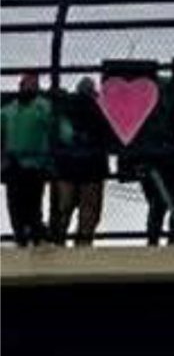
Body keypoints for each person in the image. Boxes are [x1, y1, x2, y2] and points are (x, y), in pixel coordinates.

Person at [120, 75, 174, 246]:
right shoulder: (159, 113)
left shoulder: (154, 112)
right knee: (166, 202)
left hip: (162, 160)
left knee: (166, 202)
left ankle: (161, 238)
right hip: (159, 160)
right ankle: (164, 238)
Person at [52, 77, 108, 246]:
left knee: (64, 207)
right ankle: (83, 243)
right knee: (89, 210)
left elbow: (58, 135)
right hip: (92, 167)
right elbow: (106, 136)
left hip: (67, 166)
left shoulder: (65, 108)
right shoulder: (100, 109)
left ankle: (58, 239)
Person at [1, 73, 55, 246]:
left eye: (35, 83)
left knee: (33, 204)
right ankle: (22, 237)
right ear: (21, 85)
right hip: (14, 165)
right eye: (29, 82)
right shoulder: (9, 110)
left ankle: (35, 235)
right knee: (15, 205)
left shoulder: (43, 107)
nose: (32, 86)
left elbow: (55, 126)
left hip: (35, 165)